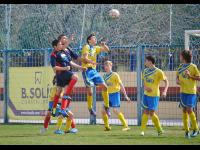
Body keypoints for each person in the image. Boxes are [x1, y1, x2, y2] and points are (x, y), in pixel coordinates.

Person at [50, 39, 86, 117]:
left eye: (61, 44)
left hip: (63, 74)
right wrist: (65, 68)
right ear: (55, 46)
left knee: (59, 91)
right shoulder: (53, 55)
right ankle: (65, 98)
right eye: (59, 44)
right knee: (75, 77)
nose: (61, 45)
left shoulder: (63, 52)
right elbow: (54, 67)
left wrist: (80, 67)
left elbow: (70, 62)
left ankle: (57, 109)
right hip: (62, 73)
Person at [81, 33, 110, 117]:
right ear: (89, 40)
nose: (95, 39)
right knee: (90, 92)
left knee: (105, 87)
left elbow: (107, 50)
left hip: (94, 71)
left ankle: (107, 107)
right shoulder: (86, 47)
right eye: (93, 38)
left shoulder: (96, 48)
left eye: (95, 38)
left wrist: (104, 45)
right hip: (87, 71)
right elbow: (85, 59)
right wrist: (91, 62)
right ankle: (90, 108)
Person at [141, 55, 169, 136]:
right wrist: (146, 87)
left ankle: (159, 129)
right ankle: (142, 131)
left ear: (150, 61)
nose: (145, 62)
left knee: (151, 113)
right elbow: (144, 82)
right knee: (145, 112)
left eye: (146, 61)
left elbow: (166, 81)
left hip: (154, 95)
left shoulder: (159, 71)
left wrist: (165, 91)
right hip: (146, 95)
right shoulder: (145, 71)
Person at [101, 61, 131, 131]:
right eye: (105, 66)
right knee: (102, 111)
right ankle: (107, 127)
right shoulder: (104, 76)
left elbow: (121, 85)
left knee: (115, 110)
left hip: (115, 94)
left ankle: (126, 126)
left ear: (111, 66)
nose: (106, 67)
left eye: (107, 66)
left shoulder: (115, 75)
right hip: (107, 95)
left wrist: (125, 95)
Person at [176, 50, 200, 139]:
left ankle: (196, 129)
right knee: (184, 111)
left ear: (184, 57)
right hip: (183, 92)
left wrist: (190, 76)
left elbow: (199, 77)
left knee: (190, 110)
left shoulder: (193, 67)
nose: (179, 57)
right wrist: (177, 81)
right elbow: (177, 77)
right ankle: (186, 132)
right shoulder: (180, 67)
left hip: (191, 92)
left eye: (180, 55)